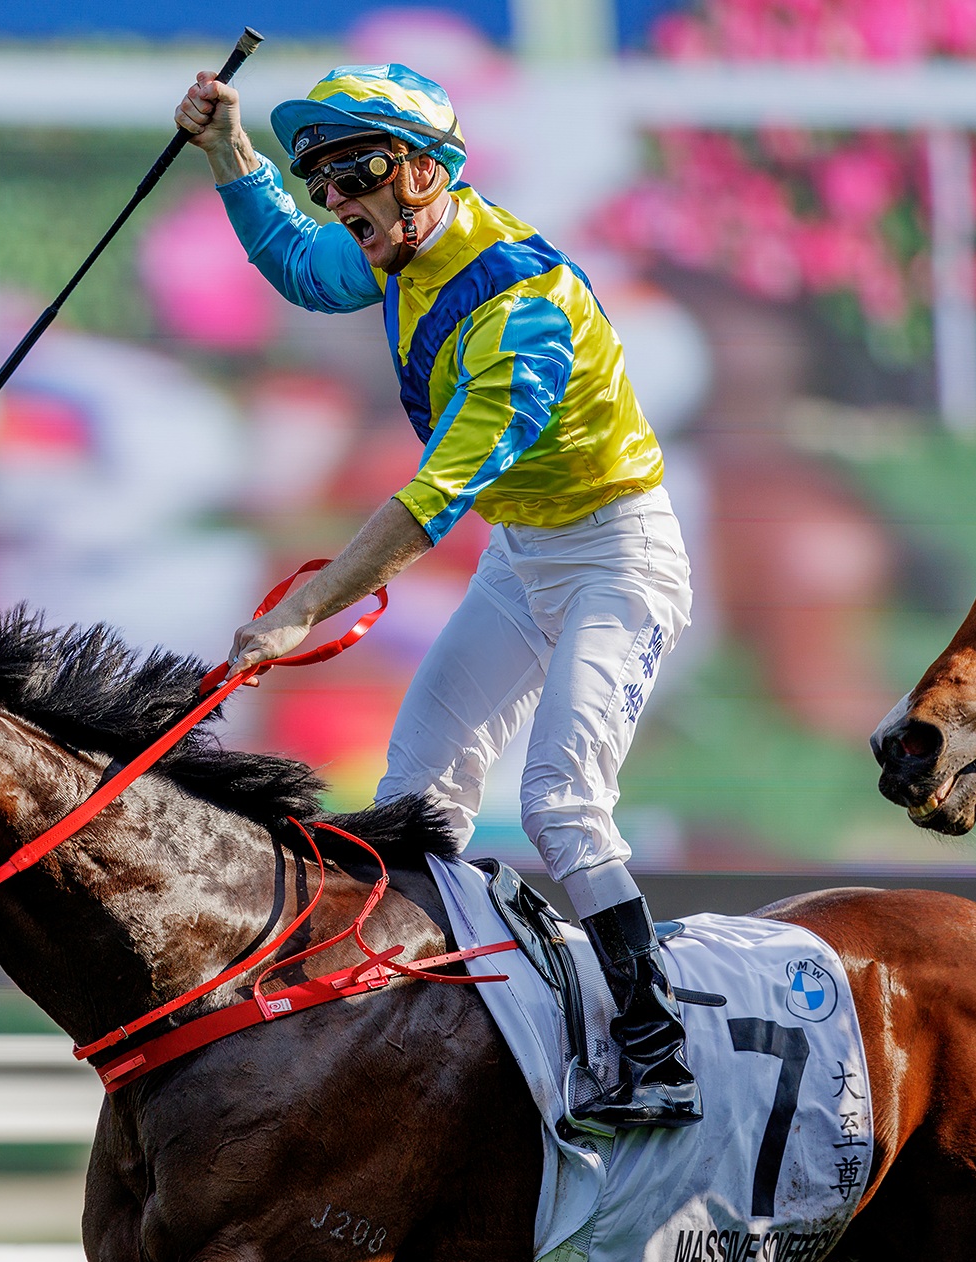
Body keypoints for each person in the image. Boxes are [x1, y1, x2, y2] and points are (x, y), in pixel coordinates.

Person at [176, 63, 699, 1128]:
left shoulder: (521, 308)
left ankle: (661, 1053)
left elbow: (431, 504)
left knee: (561, 801)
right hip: (525, 553)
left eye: (356, 174)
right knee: (415, 799)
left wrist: (304, 609)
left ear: (423, 171)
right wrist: (229, 151)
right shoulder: (404, 243)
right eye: (322, 182)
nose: (336, 202)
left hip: (618, 556)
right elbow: (304, 268)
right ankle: (439, 1025)